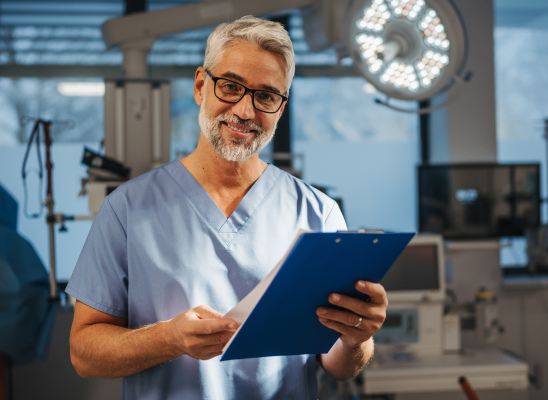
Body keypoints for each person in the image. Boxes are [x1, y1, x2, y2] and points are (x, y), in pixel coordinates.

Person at [66, 16, 388, 399]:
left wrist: (356, 339)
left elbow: (336, 366)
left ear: (281, 108)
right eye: (231, 86)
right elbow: (84, 354)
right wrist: (169, 339)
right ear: (201, 86)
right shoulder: (128, 209)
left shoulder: (318, 213)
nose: (246, 111)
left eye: (266, 96)